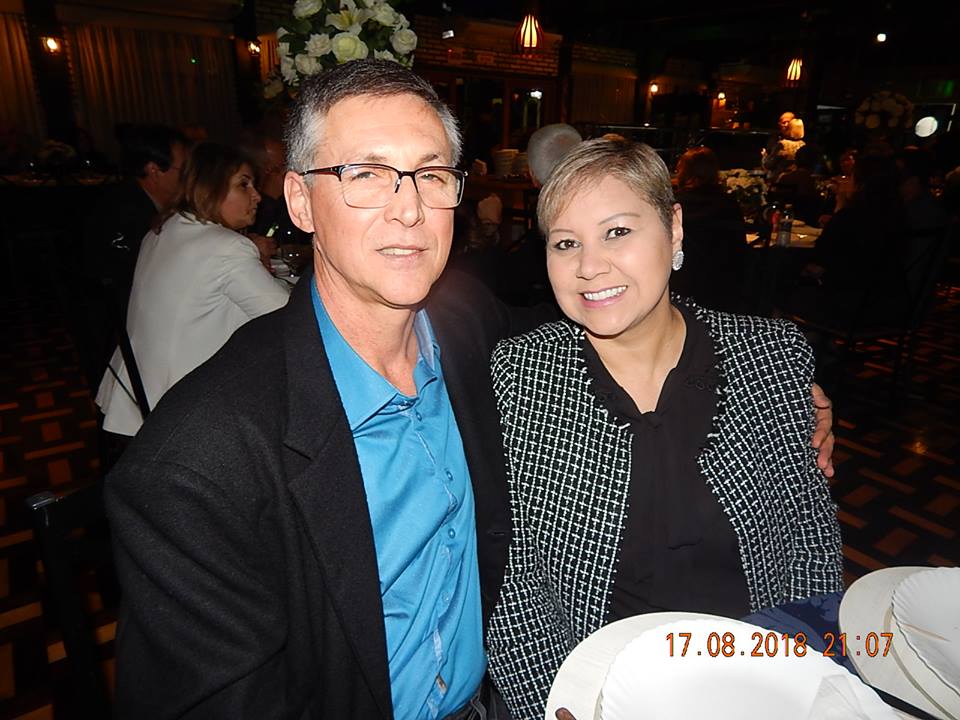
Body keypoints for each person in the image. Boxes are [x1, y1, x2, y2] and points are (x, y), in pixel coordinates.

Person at [104, 61, 836, 720]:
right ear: (299, 199)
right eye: (366, 174)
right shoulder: (196, 465)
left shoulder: (468, 332)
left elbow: (596, 323)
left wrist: (781, 396)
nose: (408, 208)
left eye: (430, 174)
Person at [484, 138, 844, 720]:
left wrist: (800, 678)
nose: (589, 266)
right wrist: (558, 704)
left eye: (617, 232)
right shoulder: (523, 375)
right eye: (566, 243)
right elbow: (517, 582)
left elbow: (810, 544)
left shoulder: (772, 357)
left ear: (673, 228)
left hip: (757, 678)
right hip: (597, 689)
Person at [95, 142, 289, 438]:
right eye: (244, 185)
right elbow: (287, 319)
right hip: (181, 407)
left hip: (135, 392)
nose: (257, 196)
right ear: (212, 187)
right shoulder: (227, 247)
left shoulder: (164, 228)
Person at [670, 146, 747, 312]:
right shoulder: (729, 204)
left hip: (682, 289)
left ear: (684, 172)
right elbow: (740, 250)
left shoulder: (677, 205)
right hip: (726, 290)